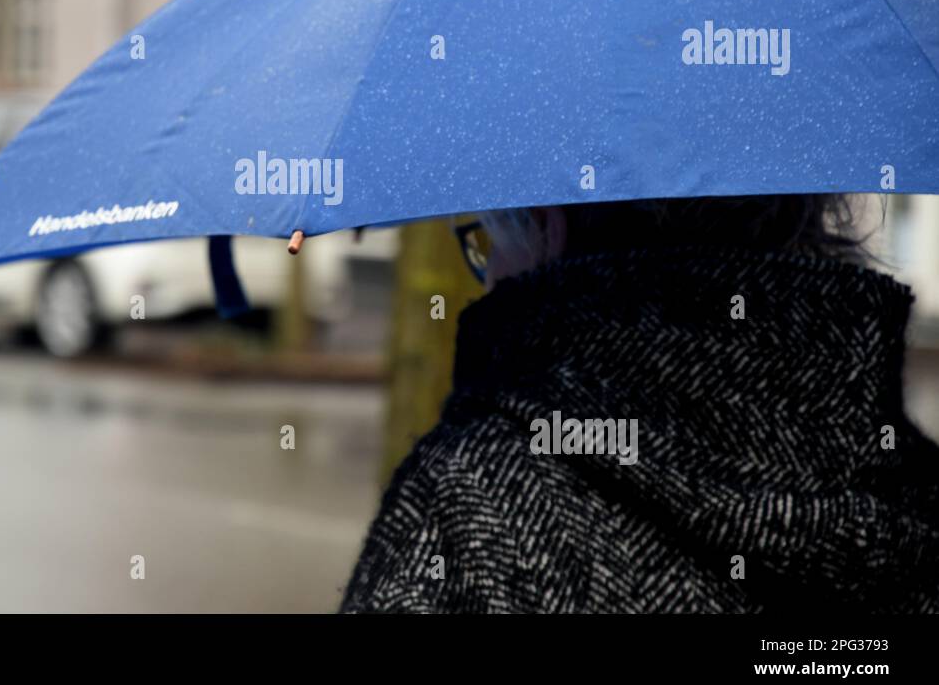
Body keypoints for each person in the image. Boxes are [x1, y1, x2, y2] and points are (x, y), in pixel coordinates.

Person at [341, 196, 939, 613]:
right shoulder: (915, 484)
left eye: (485, 241)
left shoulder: (471, 495)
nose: (487, 273)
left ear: (547, 226)